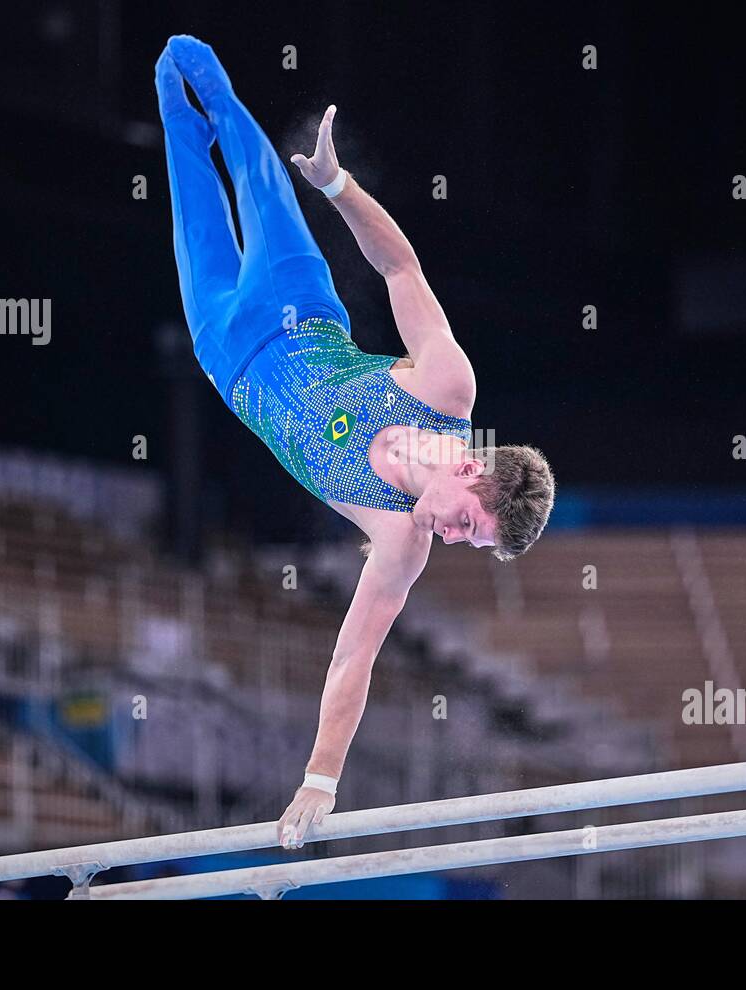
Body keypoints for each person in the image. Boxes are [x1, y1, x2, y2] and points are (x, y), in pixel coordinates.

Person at [155, 36, 555, 849]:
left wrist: (320, 781)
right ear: (473, 468)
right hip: (299, 299)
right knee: (244, 143)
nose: (452, 539)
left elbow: (353, 662)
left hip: (228, 358)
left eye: (468, 545)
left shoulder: (398, 542)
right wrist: (337, 185)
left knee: (184, 161)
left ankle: (174, 101)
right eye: (469, 526)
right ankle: (204, 81)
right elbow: (401, 269)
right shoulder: (447, 389)